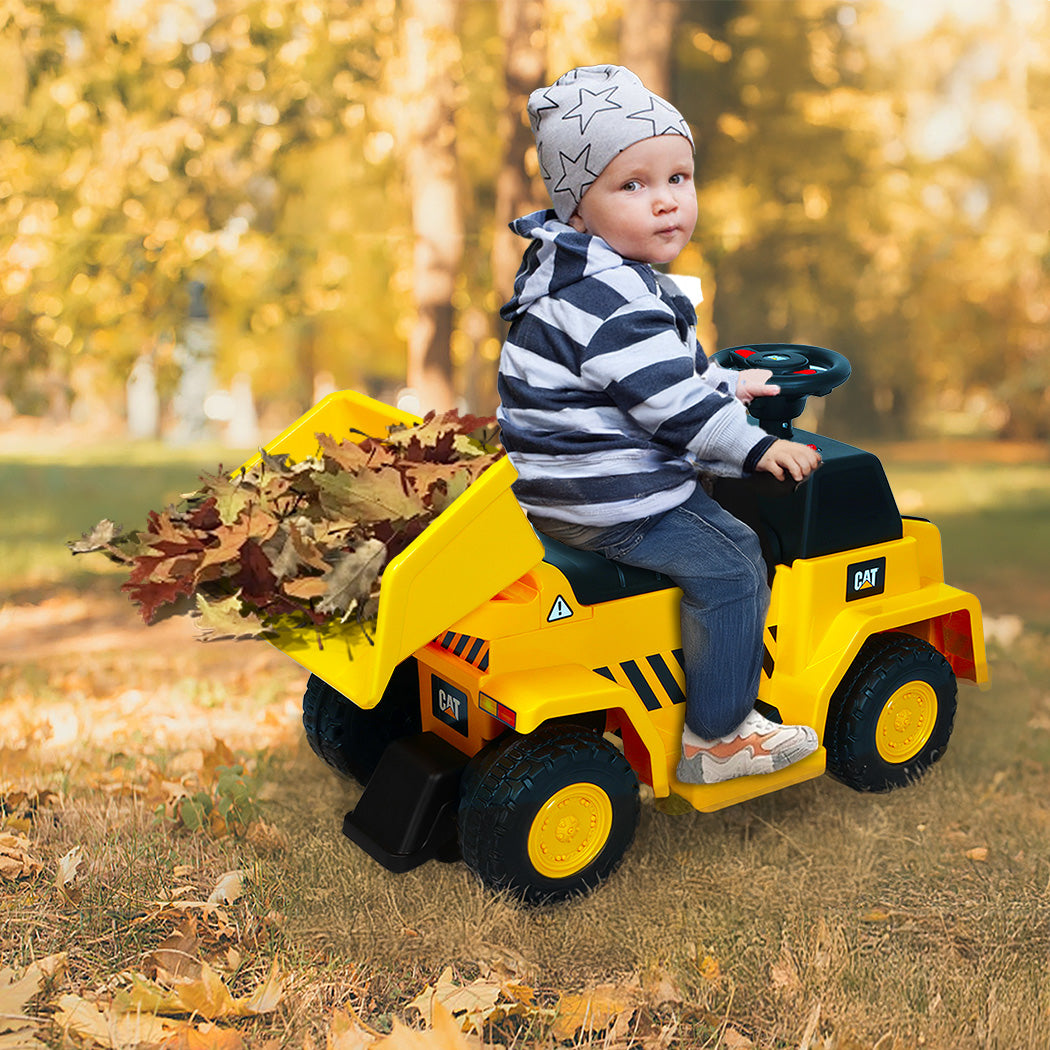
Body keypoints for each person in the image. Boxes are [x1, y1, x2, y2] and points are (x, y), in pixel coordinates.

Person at [496, 65, 822, 785]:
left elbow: (657, 375)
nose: (666, 202)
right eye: (633, 185)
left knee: (717, 526)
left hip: (556, 490)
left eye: (679, 178)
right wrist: (757, 444)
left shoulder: (579, 275)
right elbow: (674, 410)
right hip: (614, 502)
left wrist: (731, 382)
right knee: (736, 559)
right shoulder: (618, 298)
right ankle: (720, 739)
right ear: (578, 205)